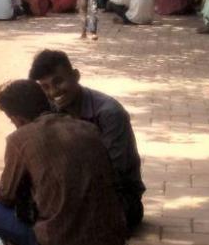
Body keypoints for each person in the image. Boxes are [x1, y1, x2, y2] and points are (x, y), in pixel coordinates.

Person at [0, 80, 131, 245]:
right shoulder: (88, 128)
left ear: (17, 118)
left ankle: (31, 239)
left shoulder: (20, 139)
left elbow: (6, 196)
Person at [30, 50, 145, 229]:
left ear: (76, 75)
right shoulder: (49, 111)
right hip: (72, 196)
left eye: (58, 81)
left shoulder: (109, 113)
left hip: (117, 200)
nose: (53, 91)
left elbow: (115, 171)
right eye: (45, 87)